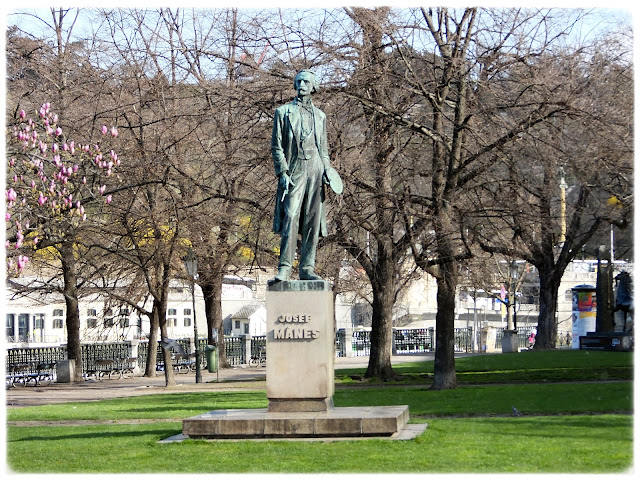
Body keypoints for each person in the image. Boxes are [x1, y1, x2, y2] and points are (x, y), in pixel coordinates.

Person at [271, 70, 335, 282]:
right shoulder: (283, 112)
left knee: (312, 220)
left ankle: (307, 267)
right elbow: (277, 147)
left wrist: (328, 170)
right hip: (295, 167)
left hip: (316, 169)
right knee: (290, 216)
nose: (302, 85)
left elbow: (324, 150)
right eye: (298, 81)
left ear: (313, 86)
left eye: (306, 82)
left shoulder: (320, 116)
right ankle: (285, 267)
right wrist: (282, 171)